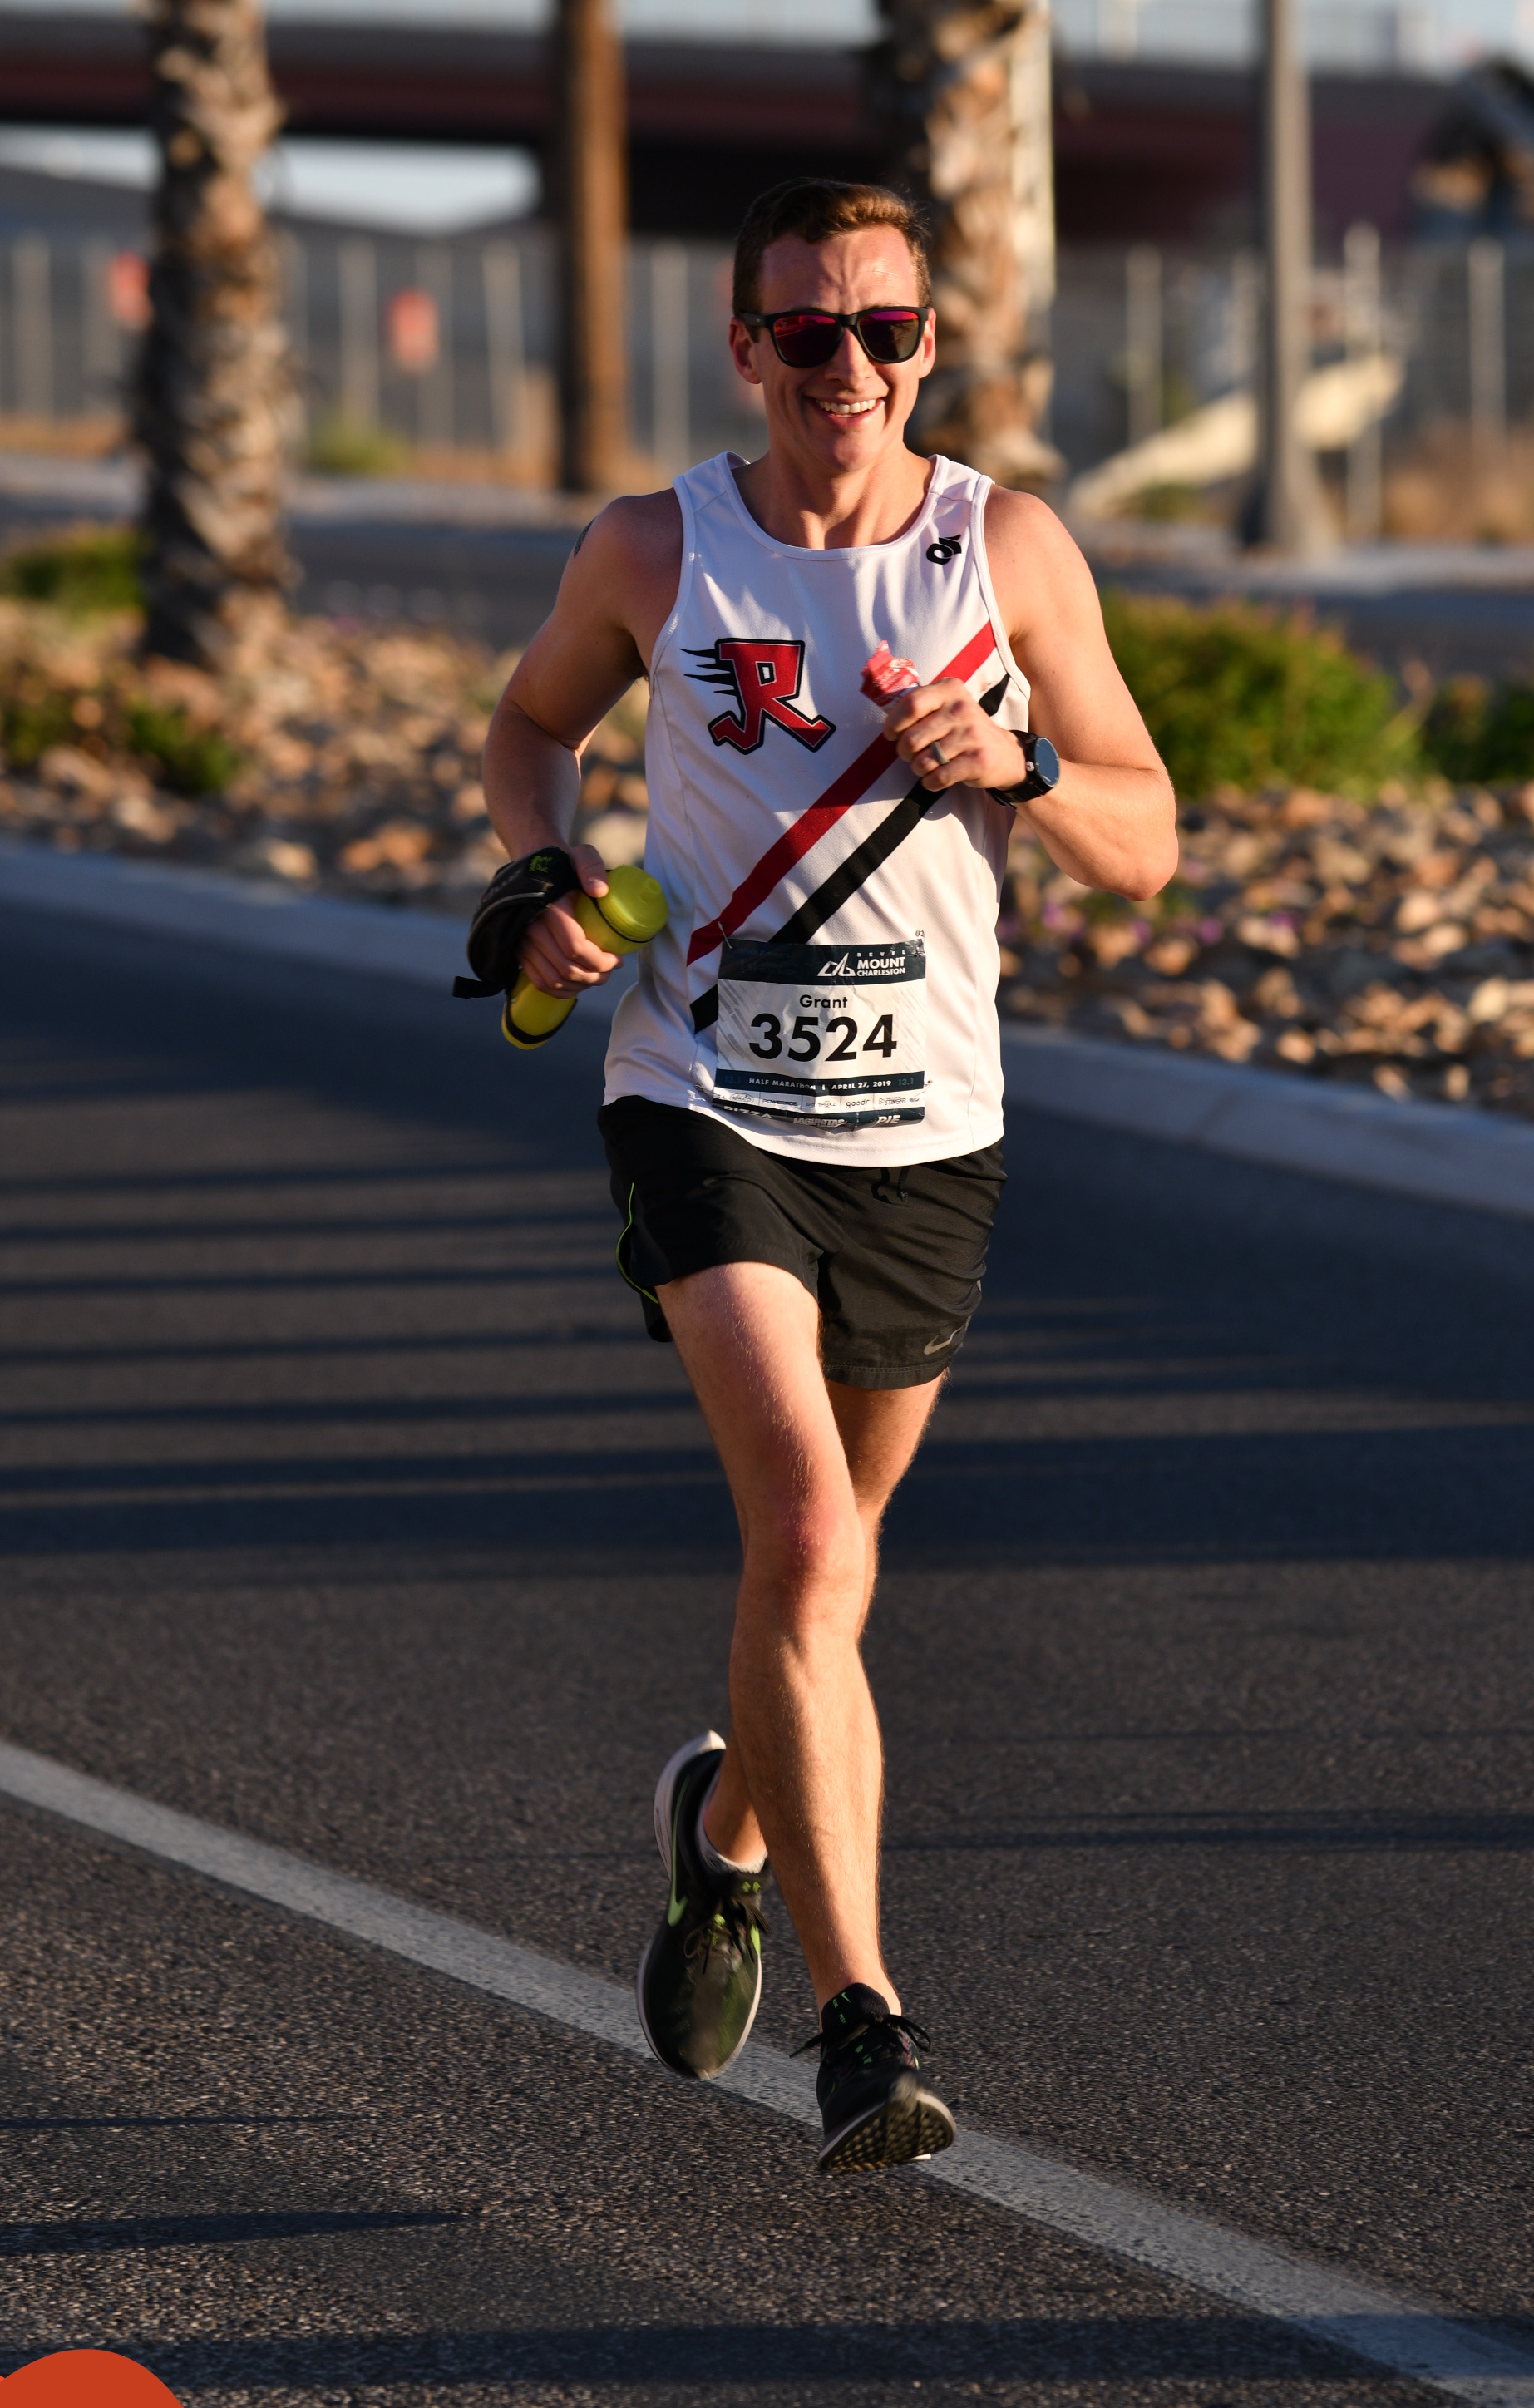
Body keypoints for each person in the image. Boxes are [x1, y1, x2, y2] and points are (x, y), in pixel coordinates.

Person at [477, 177, 1177, 2174]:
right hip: (700, 1097)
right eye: (805, 331)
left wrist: (1026, 769)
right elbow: (528, 725)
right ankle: (863, 2017)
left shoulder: (1006, 552)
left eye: (883, 329)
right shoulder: (655, 548)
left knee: (824, 1571)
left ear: (928, 346)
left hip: (926, 1134)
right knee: (803, 1531)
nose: (845, 366)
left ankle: (720, 1838)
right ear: (745, 350)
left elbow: (1147, 839)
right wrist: (539, 873)